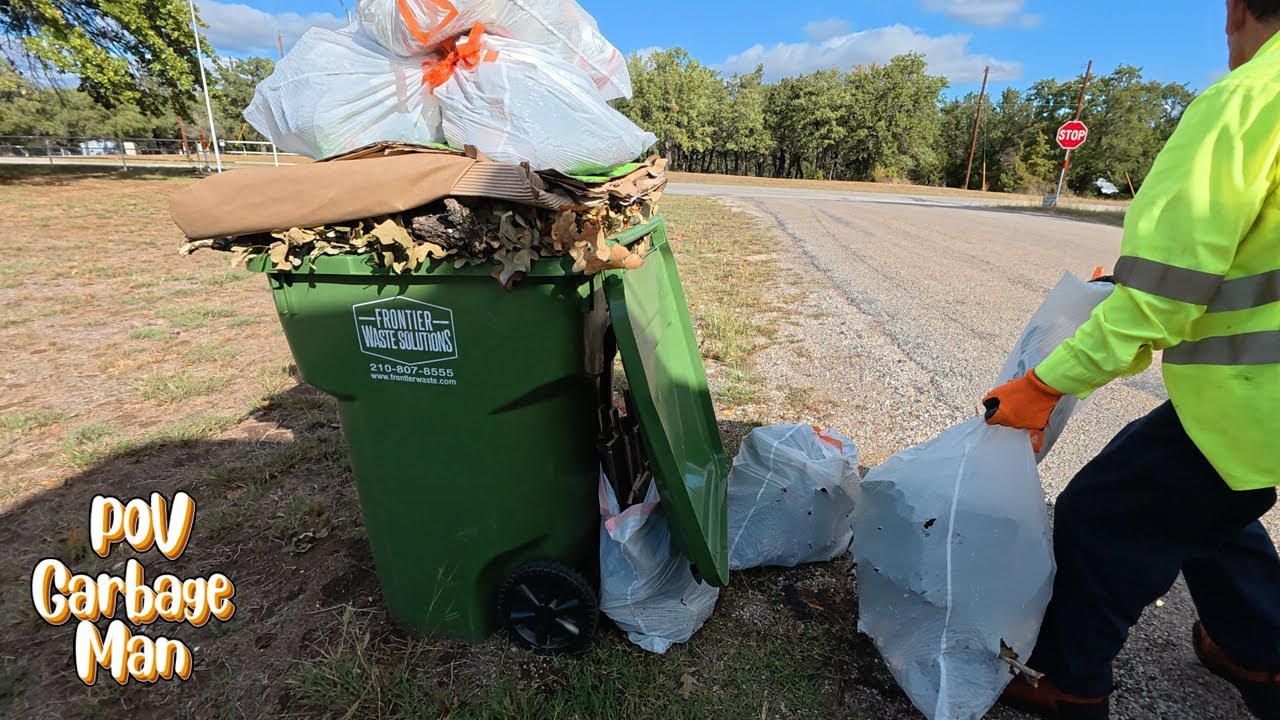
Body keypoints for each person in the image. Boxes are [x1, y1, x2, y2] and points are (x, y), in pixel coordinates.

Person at [981, 1, 1280, 718]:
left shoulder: (1246, 105)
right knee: (1202, 504)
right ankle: (1259, 650)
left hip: (1250, 402)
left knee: (1101, 514)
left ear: (1237, 9)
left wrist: (1043, 384)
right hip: (1260, 412)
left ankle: (1068, 682)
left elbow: (1164, 300)